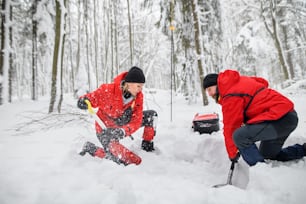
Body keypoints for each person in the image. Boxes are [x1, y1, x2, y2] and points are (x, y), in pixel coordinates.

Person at [203, 69, 306, 166]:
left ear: (217, 85)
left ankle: (262, 173)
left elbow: (231, 126)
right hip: (285, 116)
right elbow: (262, 82)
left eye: (210, 89)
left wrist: (232, 154)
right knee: (268, 155)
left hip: (280, 119)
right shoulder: (237, 83)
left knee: (239, 136)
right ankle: (303, 150)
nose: (209, 94)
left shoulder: (231, 94)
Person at [77, 66, 158, 165]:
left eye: (142, 86)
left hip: (122, 125)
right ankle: (92, 149)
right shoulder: (108, 90)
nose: (140, 89)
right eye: (138, 86)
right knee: (131, 161)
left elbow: (136, 120)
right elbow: (92, 98)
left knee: (151, 116)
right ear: (129, 84)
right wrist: (84, 100)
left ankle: (147, 147)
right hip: (106, 130)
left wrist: (123, 131)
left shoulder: (138, 97)